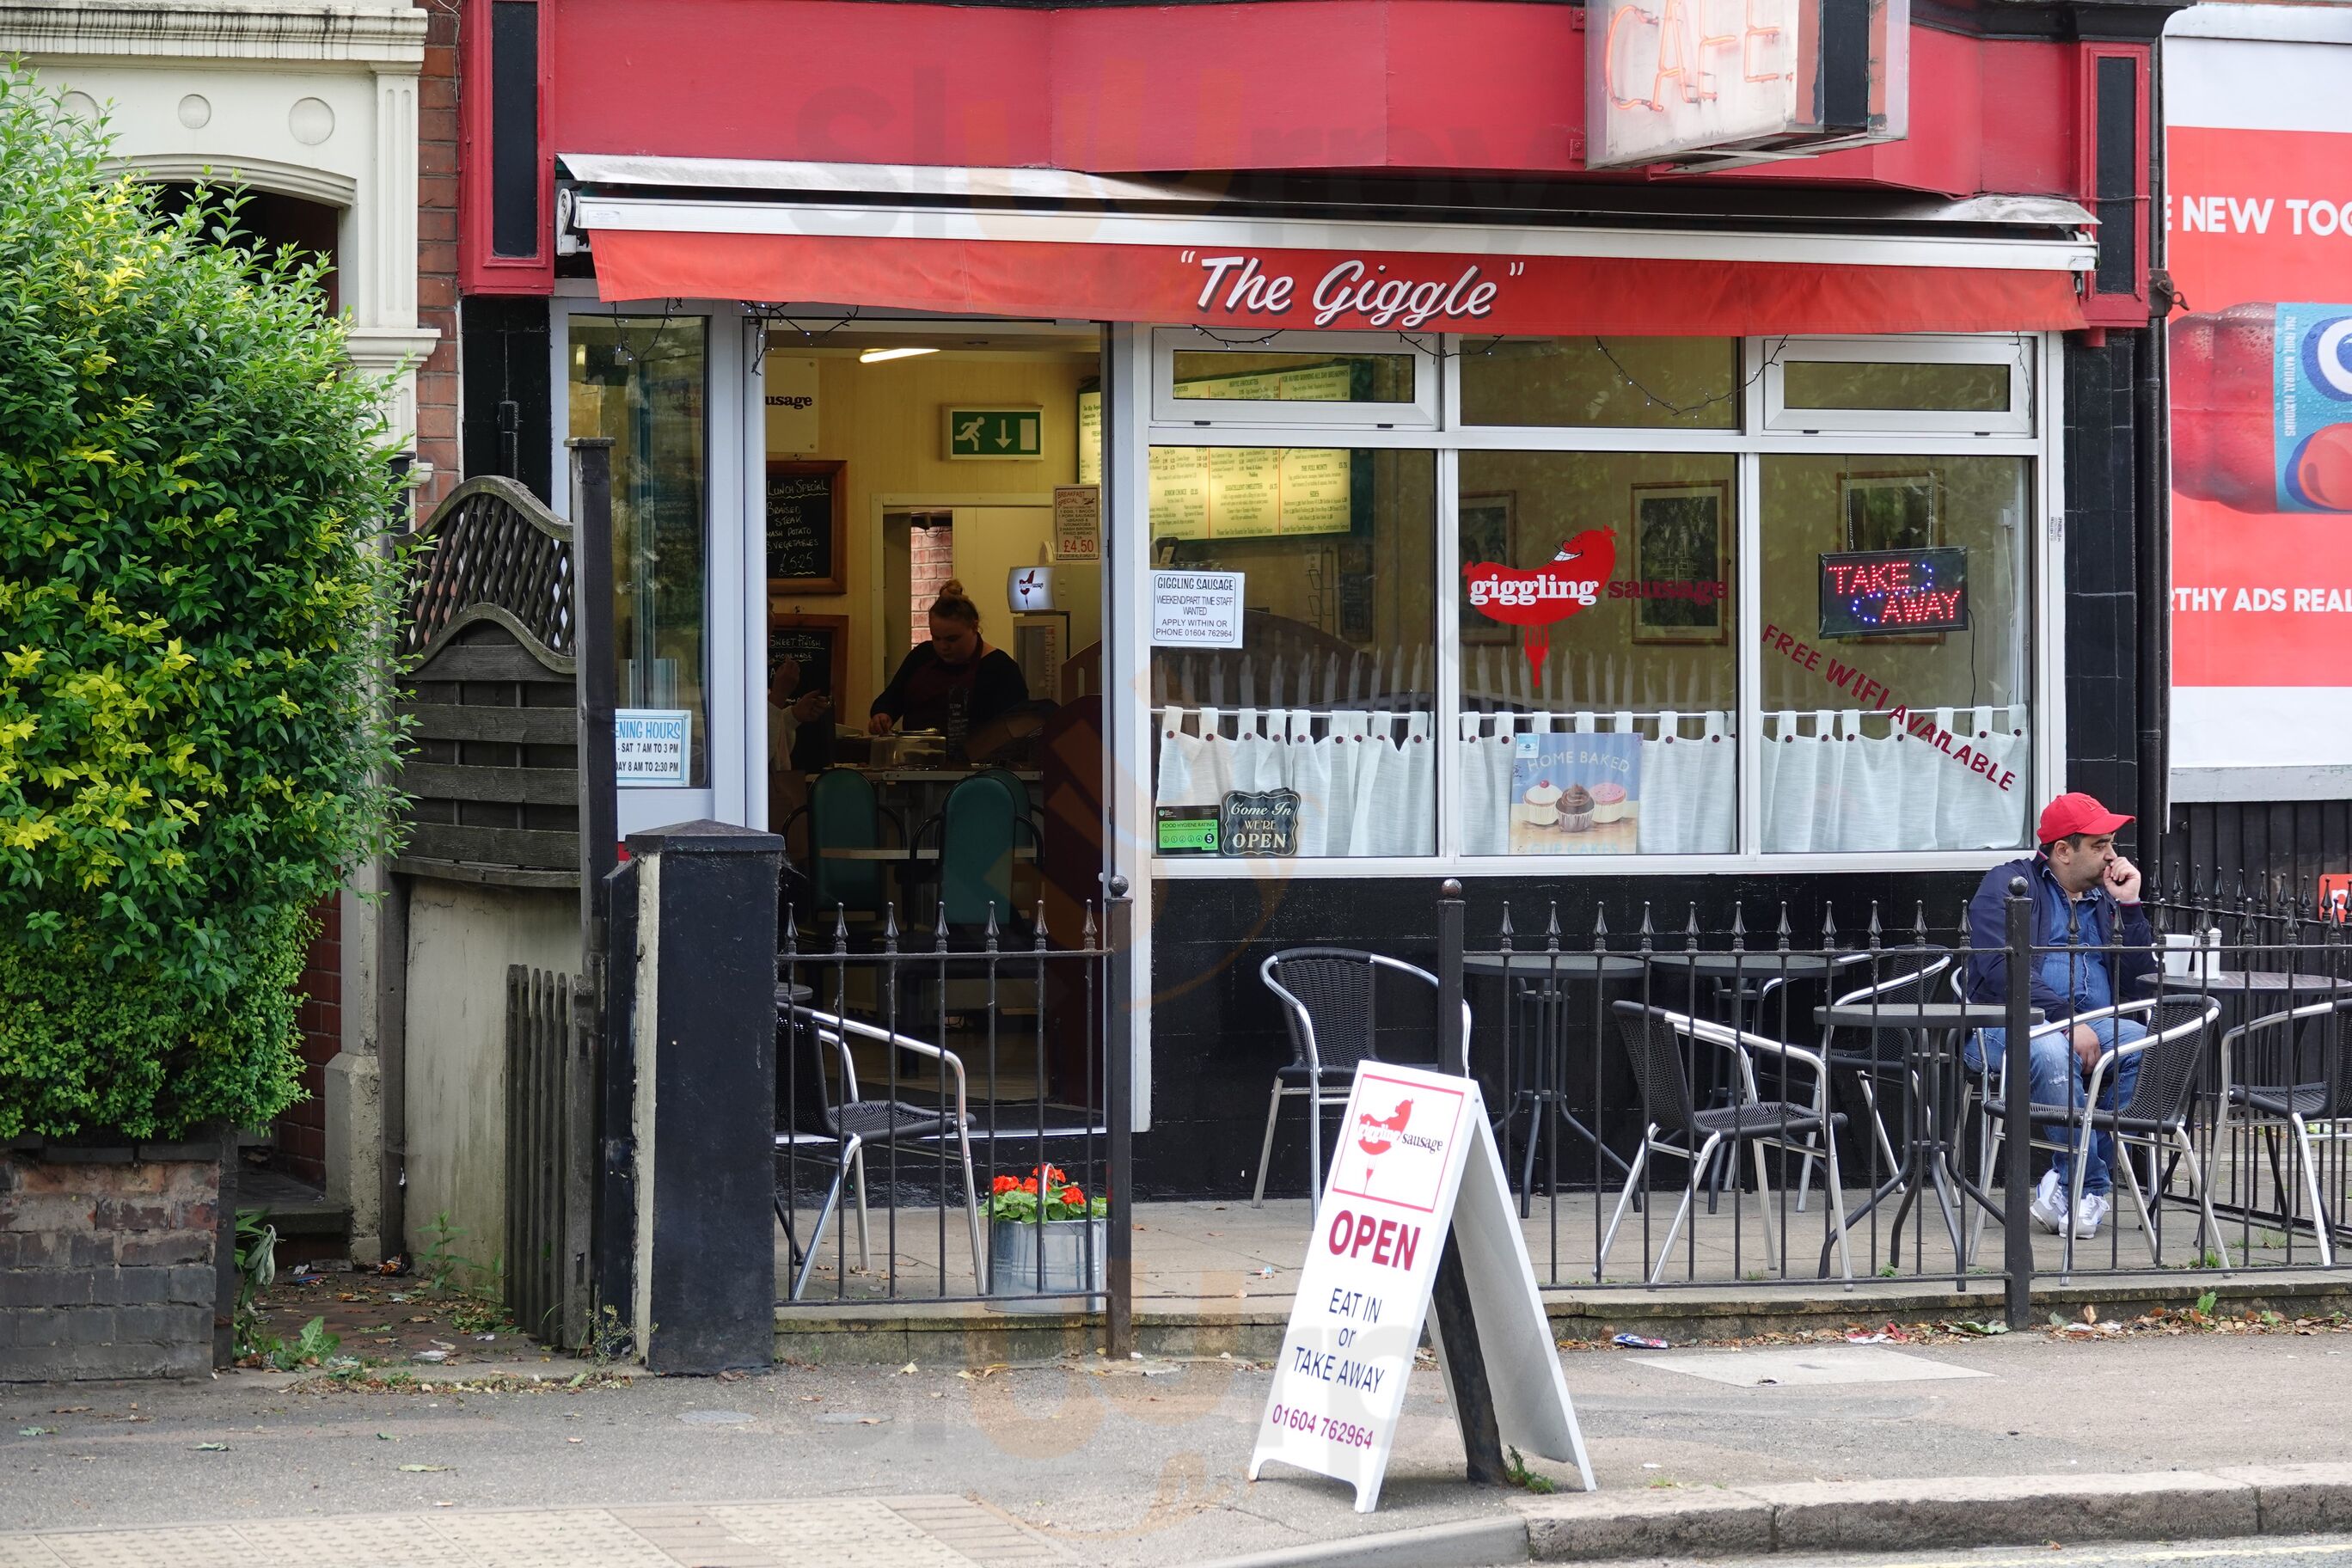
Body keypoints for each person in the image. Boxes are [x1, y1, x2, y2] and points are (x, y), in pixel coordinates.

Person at [1963, 792, 2159, 1241]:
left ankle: (2066, 1179)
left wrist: (2130, 906)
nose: (2111, 855)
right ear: (2063, 851)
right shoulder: (2010, 885)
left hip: (2098, 1024)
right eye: (2099, 845)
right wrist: (2066, 1021)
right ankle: (2089, 1186)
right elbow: (2001, 968)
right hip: (2009, 1025)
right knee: (2052, 1049)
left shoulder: (2106, 896)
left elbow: (2139, 983)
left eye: (2111, 843)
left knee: (2150, 1046)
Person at [868, 581, 1029, 739]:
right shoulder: (922, 655)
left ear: (974, 627)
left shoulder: (1001, 668)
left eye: (952, 639)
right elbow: (891, 698)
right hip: (916, 752)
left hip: (976, 756)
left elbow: (1016, 730)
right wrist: (882, 714)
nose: (943, 646)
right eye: (936, 638)